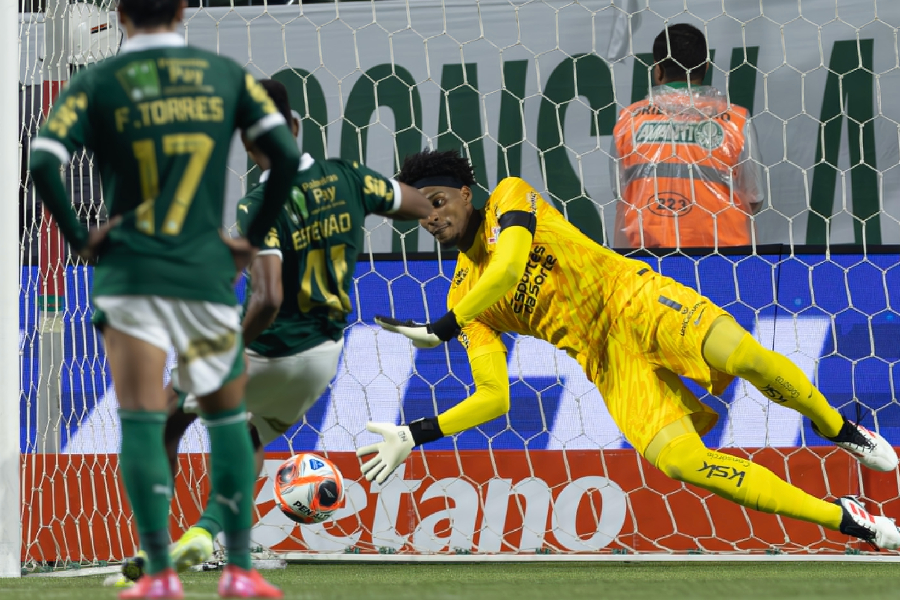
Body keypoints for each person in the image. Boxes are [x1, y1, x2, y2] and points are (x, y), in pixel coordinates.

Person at [360, 149, 900, 551]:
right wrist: (416, 433)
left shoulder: (509, 196)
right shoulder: (463, 293)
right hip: (606, 361)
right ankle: (849, 520)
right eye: (420, 214)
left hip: (637, 299)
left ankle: (842, 431)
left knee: (745, 357)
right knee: (683, 463)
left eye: (437, 202)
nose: (430, 217)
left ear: (465, 194)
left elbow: (507, 266)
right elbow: (494, 398)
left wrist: (449, 323)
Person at [29, 1, 301, 597]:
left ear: (120, 14)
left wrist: (81, 236)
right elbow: (284, 155)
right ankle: (241, 571)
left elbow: (43, 161)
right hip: (204, 274)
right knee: (228, 416)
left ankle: (157, 575)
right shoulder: (223, 75)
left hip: (130, 274)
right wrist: (250, 240)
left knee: (143, 418)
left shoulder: (96, 82)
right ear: (181, 10)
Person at [119, 78, 432, 582]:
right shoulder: (350, 178)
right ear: (295, 126)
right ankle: (206, 533)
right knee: (250, 435)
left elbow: (266, 298)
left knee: (163, 420)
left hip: (269, 349)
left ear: (246, 143)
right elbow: (417, 205)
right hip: (324, 358)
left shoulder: (258, 206)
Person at [610, 23, 765, 249]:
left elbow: (622, 193)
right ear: (706, 67)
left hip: (651, 263)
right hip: (724, 262)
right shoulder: (736, 120)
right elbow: (754, 197)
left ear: (658, 69)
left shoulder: (629, 121)